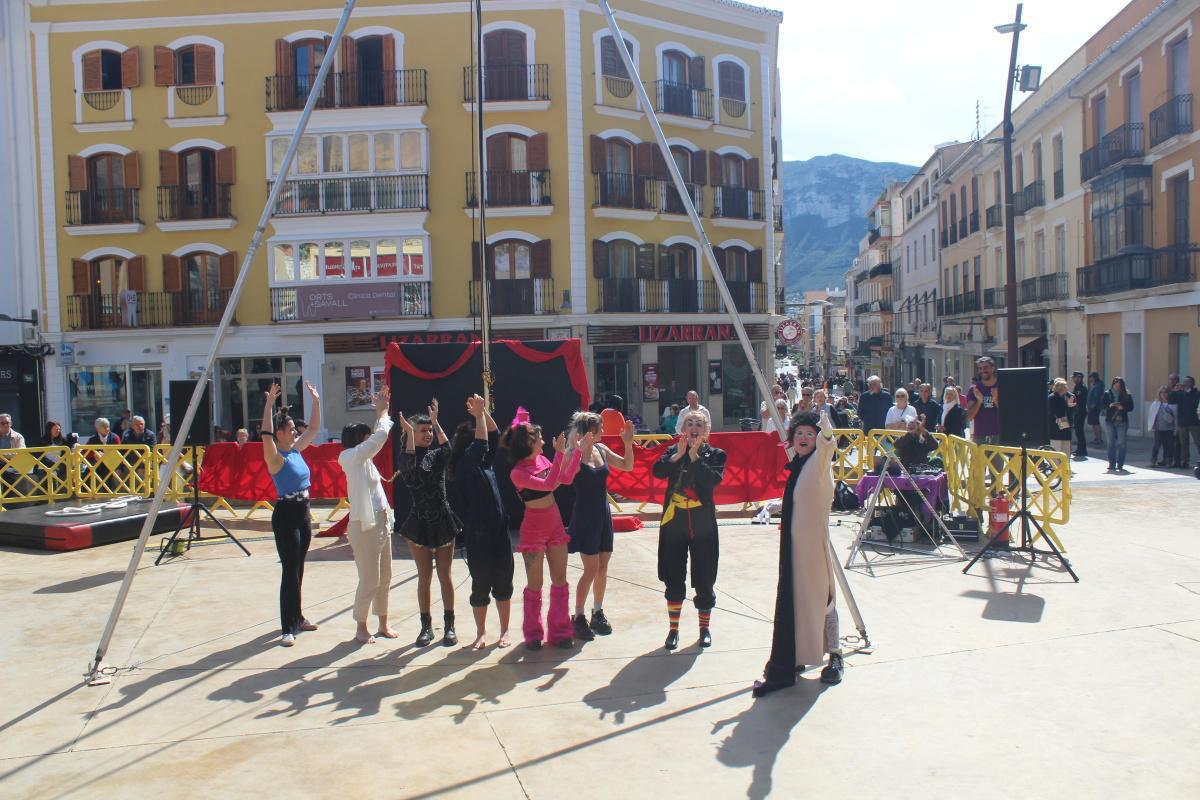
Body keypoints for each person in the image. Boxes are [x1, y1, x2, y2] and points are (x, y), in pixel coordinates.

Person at [753, 407, 843, 697]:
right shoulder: (800, 465)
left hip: (812, 547)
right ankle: (800, 654)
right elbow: (802, 499)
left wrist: (826, 431)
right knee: (800, 604)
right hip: (794, 549)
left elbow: (828, 445)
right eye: (799, 433)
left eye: (809, 433)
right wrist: (774, 506)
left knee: (823, 600)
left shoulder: (818, 460)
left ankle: (836, 654)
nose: (804, 438)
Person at [504, 409, 583, 649]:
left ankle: (560, 632)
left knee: (560, 580)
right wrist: (559, 454)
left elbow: (564, 479)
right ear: (527, 443)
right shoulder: (517, 473)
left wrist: (577, 452)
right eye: (538, 438)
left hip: (555, 523)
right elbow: (549, 484)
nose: (543, 441)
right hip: (533, 528)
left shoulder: (542, 460)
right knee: (535, 585)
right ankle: (533, 634)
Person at [653, 408, 726, 651]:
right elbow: (657, 471)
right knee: (673, 574)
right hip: (675, 521)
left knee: (704, 574)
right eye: (689, 423)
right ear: (683, 429)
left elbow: (712, 480)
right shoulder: (673, 451)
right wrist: (678, 455)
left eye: (698, 424)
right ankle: (673, 630)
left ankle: (704, 629)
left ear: (705, 431)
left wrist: (695, 457)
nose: (693, 427)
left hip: (702, 523)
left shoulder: (715, 454)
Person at [450, 394, 515, 649]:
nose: (487, 445)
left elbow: (494, 434)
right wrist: (477, 416)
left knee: (503, 581)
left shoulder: (484, 464)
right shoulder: (465, 463)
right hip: (478, 533)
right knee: (481, 583)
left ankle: (505, 631)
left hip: (499, 531)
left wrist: (483, 412)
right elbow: (482, 442)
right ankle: (480, 633)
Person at [260, 380, 322, 647]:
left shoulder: (296, 450)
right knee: (289, 570)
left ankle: (298, 617)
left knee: (299, 567)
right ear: (280, 433)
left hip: (303, 512)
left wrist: (316, 401)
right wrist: (268, 405)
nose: (296, 432)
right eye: (291, 430)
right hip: (286, 515)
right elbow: (265, 435)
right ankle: (287, 627)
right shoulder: (276, 458)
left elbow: (314, 428)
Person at [395, 398, 460, 648]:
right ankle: (426, 627)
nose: (428, 433)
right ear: (412, 433)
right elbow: (411, 471)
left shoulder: (436, 455)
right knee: (425, 577)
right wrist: (410, 434)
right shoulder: (405, 458)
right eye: (423, 430)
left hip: (443, 520)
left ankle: (450, 626)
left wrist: (436, 422)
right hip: (419, 523)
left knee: (445, 575)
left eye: (429, 430)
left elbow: (449, 451)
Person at [567, 411, 635, 642]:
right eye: (601, 426)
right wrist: (579, 451)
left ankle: (597, 611)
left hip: (603, 514)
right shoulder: (574, 453)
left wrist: (628, 443)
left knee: (603, 566)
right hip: (585, 516)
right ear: (590, 431)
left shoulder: (602, 449)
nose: (604, 430)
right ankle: (578, 616)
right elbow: (566, 477)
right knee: (590, 569)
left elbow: (627, 465)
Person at [337, 385, 396, 645]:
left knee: (385, 576)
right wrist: (382, 412)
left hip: (381, 519)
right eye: (365, 438)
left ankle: (383, 622)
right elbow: (379, 438)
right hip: (364, 526)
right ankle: (361, 626)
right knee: (369, 578)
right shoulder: (349, 457)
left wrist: (382, 412)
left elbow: (375, 440)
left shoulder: (364, 459)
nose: (369, 441)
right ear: (358, 441)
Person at [1101, 376, 1134, 473]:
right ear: (1113, 384)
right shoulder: (1107, 393)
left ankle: (1120, 464)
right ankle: (1112, 463)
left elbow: (1131, 407)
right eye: (1116, 385)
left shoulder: (1126, 394)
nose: (1117, 387)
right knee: (1110, 443)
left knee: (1121, 443)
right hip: (1110, 421)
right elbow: (1102, 405)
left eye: (1119, 385)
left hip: (1122, 420)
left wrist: (1123, 407)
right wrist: (1110, 405)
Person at [966, 357, 1000, 444]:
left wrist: (996, 400)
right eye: (980, 368)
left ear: (993, 368)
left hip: (1000, 436)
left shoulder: (1002, 386)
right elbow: (969, 417)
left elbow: (1009, 414)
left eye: (985, 367)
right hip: (980, 437)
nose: (982, 370)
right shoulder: (974, 389)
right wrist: (979, 402)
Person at [1170, 376, 1200, 468]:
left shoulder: (1196, 393)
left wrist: (1187, 392)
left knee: (1198, 442)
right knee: (1183, 443)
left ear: (1192, 384)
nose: (1185, 383)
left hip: (1194, 422)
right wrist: (1174, 391)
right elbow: (1171, 401)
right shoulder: (1180, 393)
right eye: (1184, 381)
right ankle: (1185, 461)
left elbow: (1195, 403)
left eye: (1188, 382)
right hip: (1182, 422)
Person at [1147, 386, 1179, 468]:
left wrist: (1176, 428)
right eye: (1162, 392)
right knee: (1156, 445)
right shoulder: (1156, 404)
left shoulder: (1173, 404)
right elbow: (1151, 415)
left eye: (1166, 392)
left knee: (1169, 445)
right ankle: (1153, 461)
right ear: (1159, 394)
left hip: (1169, 428)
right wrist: (1151, 426)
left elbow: (1176, 417)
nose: (1164, 394)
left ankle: (1168, 461)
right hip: (1158, 428)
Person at [1046, 378, 1077, 456]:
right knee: (1057, 448)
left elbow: (1073, 409)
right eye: (1065, 386)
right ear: (1060, 388)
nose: (1067, 388)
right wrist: (1067, 405)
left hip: (1066, 425)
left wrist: (1070, 406)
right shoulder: (1052, 397)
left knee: (1066, 448)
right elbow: (1052, 411)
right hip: (1056, 426)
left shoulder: (1068, 396)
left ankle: (1066, 463)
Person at [1070, 372, 1089, 459]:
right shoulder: (1078, 386)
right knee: (1078, 432)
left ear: (1079, 378)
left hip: (1080, 412)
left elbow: (1078, 400)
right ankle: (1079, 449)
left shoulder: (1081, 387)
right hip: (1078, 411)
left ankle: (1082, 450)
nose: (1073, 379)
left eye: (1074, 377)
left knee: (1079, 431)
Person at [1086, 372, 1104, 446]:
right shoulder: (1095, 385)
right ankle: (1096, 438)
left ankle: (1099, 439)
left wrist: (1092, 406)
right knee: (1094, 424)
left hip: (1095, 408)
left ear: (1094, 377)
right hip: (1092, 408)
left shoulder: (1098, 386)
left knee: (1096, 423)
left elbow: (1096, 397)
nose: (1090, 378)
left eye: (1091, 377)